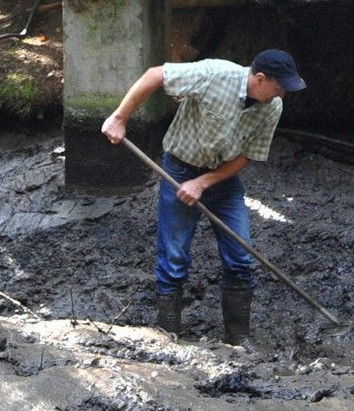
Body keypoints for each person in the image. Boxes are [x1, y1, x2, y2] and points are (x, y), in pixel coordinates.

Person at [101, 50, 303, 344]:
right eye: (279, 86)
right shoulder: (214, 74)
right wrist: (120, 118)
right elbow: (155, 74)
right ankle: (167, 337)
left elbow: (248, 155)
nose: (282, 93)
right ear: (259, 79)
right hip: (180, 170)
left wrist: (204, 182)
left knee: (241, 257)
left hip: (222, 180)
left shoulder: (272, 107)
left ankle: (238, 338)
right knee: (174, 258)